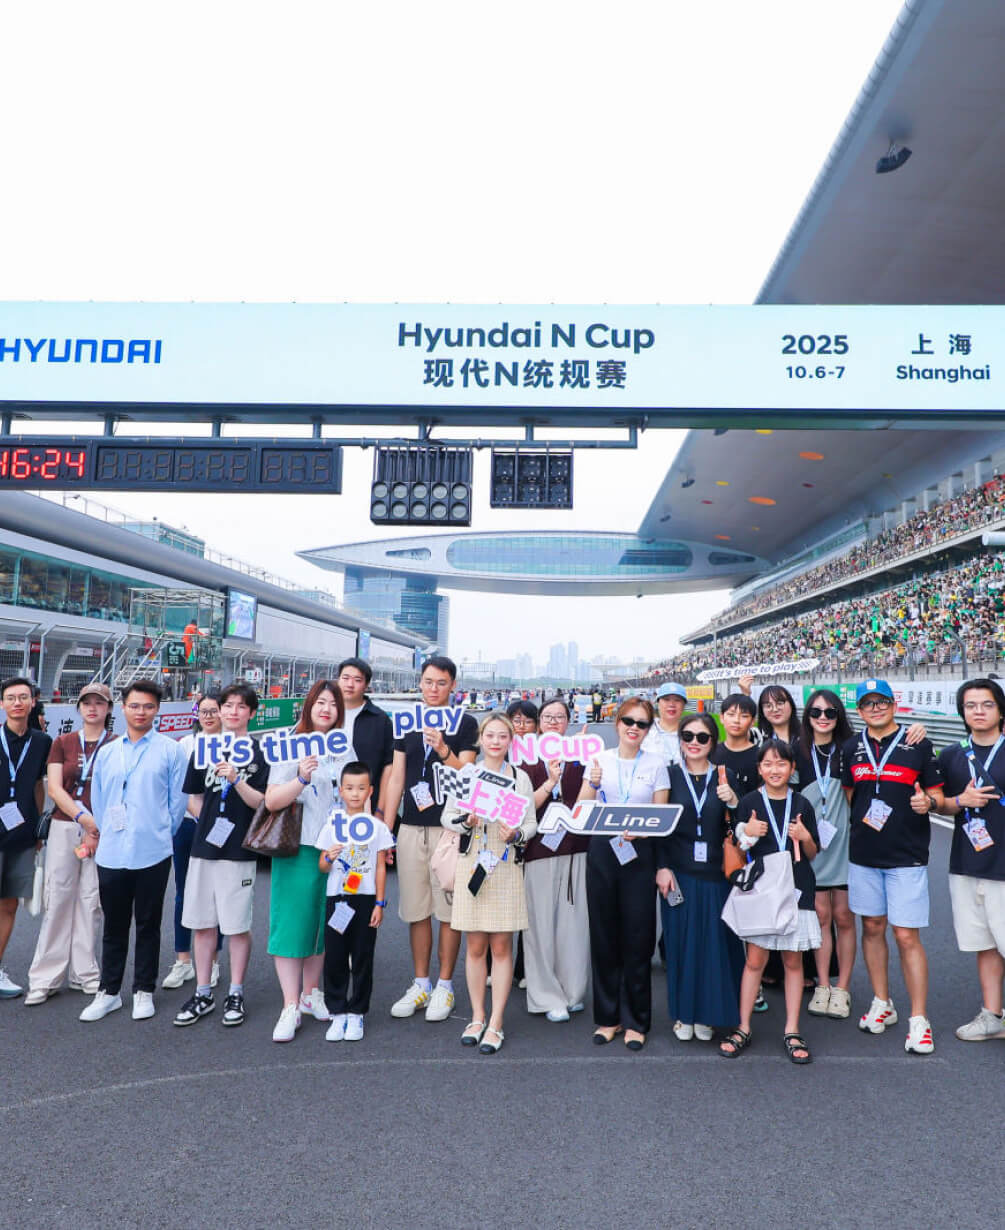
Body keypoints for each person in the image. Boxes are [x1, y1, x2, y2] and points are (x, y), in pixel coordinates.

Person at [842, 679, 943, 1054]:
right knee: (871, 927)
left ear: (893, 704)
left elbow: (935, 794)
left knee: (905, 935)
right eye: (868, 704)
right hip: (864, 853)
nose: (876, 708)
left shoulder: (918, 743)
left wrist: (928, 803)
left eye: (881, 701)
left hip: (907, 854)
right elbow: (851, 795)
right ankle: (882, 1002)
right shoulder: (851, 747)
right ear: (859, 710)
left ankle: (919, 1018)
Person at [81, 681, 188, 1022]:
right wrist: (109, 830)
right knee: (114, 925)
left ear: (158, 710)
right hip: (112, 851)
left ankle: (144, 990)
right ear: (123, 708)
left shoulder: (171, 751)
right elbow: (99, 800)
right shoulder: (108, 752)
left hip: (152, 851)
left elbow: (177, 803)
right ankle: (109, 991)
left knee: (148, 924)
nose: (141, 712)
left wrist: (159, 832)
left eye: (148, 706)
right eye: (135, 705)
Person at [383, 655, 479, 1023]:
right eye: (428, 681)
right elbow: (396, 777)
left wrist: (443, 750)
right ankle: (421, 982)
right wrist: (386, 832)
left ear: (453, 685)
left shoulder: (464, 722)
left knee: (448, 910)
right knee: (416, 909)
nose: (434, 689)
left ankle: (445, 984)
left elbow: (468, 774)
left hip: (448, 828)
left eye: (441, 682)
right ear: (419, 683)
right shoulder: (406, 720)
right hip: (410, 826)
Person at [173, 683, 268, 1029]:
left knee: (237, 925)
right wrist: (207, 824)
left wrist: (237, 779)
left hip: (240, 850)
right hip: (204, 848)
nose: (232, 712)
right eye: (227, 706)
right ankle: (203, 992)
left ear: (252, 713)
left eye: (241, 706)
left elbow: (263, 802)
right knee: (202, 923)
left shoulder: (260, 751)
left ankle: (236, 992)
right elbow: (192, 797)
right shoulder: (204, 748)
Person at [441, 713, 536, 1053]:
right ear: (480, 740)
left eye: (502, 736)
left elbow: (531, 823)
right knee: (476, 947)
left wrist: (517, 833)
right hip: (473, 863)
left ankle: (496, 1021)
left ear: (511, 741)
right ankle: (477, 1016)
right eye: (490, 735)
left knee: (501, 947)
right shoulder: (467, 774)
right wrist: (466, 821)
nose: (496, 741)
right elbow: (447, 816)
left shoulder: (520, 778)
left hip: (505, 864)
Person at [721, 740, 821, 1063]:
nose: (774, 770)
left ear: (792, 768)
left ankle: (792, 1029)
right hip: (762, 889)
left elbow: (812, 853)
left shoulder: (802, 803)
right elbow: (739, 847)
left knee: (793, 961)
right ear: (759, 769)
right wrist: (748, 832)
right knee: (754, 961)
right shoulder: (750, 801)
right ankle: (743, 1026)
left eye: (781, 764)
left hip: (797, 887)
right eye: (768, 764)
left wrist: (805, 837)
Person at [580, 696, 670, 1051]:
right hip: (604, 850)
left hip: (639, 853)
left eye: (642, 723)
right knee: (603, 936)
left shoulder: (657, 764)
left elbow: (662, 817)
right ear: (617, 724)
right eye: (628, 721)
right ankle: (608, 1017)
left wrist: (643, 831)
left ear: (648, 730)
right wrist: (591, 782)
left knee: (638, 938)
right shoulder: (599, 760)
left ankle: (637, 1021)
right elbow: (582, 811)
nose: (634, 728)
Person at [264, 678, 345, 1042]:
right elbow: (272, 800)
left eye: (333, 704)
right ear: (309, 705)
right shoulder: (289, 743)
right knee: (290, 924)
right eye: (321, 702)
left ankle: (312, 994)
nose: (327, 709)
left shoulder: (342, 747)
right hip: (297, 845)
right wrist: (300, 777)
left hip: (334, 847)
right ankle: (290, 1004)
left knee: (320, 922)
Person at [25, 683, 116, 1004]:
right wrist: (84, 819)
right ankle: (44, 977)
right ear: (78, 707)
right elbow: (54, 789)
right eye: (86, 702)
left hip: (104, 830)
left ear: (109, 708)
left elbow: (118, 789)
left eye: (99, 703)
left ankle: (85, 973)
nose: (92, 708)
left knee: (92, 901)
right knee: (58, 898)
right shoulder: (62, 742)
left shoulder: (116, 744)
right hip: (67, 825)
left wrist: (96, 825)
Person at [656, 714, 744, 1041]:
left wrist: (734, 801)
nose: (694, 742)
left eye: (702, 737)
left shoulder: (725, 775)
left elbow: (742, 825)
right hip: (678, 873)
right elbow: (659, 825)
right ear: (680, 740)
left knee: (714, 947)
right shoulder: (668, 775)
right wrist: (662, 866)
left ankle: (709, 1013)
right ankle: (684, 1014)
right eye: (688, 736)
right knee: (681, 945)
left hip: (717, 875)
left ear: (713, 742)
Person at [937, 678, 1005, 1041]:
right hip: (967, 861)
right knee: (985, 943)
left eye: (987, 704)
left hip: (1003, 865)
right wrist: (961, 801)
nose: (979, 711)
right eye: (971, 705)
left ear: (1000, 710)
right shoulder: (951, 755)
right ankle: (992, 1015)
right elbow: (939, 803)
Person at [315, 762, 395, 1043]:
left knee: (362, 955)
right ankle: (337, 1011)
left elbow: (381, 866)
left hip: (365, 897)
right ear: (341, 791)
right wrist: (329, 857)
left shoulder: (377, 827)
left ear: (370, 791)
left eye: (361, 788)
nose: (355, 794)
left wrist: (379, 903)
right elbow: (322, 866)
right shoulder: (332, 824)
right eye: (349, 788)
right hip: (337, 897)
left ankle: (357, 1011)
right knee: (335, 955)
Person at [522, 698, 590, 1022]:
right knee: (539, 925)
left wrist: (591, 772)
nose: (553, 722)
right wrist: (550, 782)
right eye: (547, 716)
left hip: (576, 848)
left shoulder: (581, 755)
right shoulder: (525, 758)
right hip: (538, 849)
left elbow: (591, 799)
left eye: (559, 717)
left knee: (574, 925)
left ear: (568, 721)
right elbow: (522, 805)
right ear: (538, 722)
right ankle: (546, 995)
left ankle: (573, 991)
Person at [797, 689, 857, 1020]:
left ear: (839, 717)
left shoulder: (851, 748)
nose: (823, 718)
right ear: (807, 716)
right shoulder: (798, 749)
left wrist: (915, 730)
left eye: (830, 712)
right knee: (821, 915)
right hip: (812, 843)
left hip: (846, 844)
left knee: (844, 916)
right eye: (816, 712)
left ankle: (843, 988)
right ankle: (823, 985)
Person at [163, 692, 223, 991]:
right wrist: (202, 818)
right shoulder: (186, 744)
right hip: (188, 826)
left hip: (222, 829)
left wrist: (212, 823)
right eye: (203, 711)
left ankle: (212, 961)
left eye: (214, 710)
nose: (208, 716)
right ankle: (183, 960)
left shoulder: (233, 745)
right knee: (183, 893)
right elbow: (180, 790)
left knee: (216, 895)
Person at [0, 676, 53, 999]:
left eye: (23, 697)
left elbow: (37, 786)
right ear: (2, 703)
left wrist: (38, 830)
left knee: (9, 905)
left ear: (33, 702)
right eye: (11, 697)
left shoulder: (42, 742)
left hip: (22, 835)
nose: (17, 703)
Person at [335, 658, 395, 821]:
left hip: (366, 808)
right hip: (326, 806)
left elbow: (389, 767)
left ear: (366, 685)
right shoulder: (325, 714)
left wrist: (380, 810)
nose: (350, 684)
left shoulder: (380, 720)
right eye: (345, 678)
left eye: (357, 680)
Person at [713, 693, 759, 798]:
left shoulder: (761, 756)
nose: (736, 720)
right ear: (721, 718)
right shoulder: (711, 753)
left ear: (752, 721)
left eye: (744, 716)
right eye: (731, 714)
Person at [642, 682, 687, 769]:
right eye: (666, 699)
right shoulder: (644, 730)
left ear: (684, 705)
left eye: (677, 700)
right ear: (658, 703)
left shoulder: (692, 733)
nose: (671, 704)